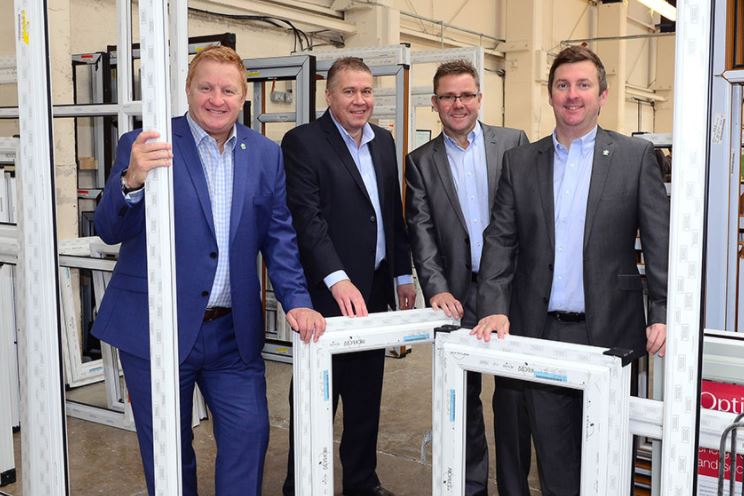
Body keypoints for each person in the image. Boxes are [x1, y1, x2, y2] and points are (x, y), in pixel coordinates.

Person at [92, 45, 325, 495]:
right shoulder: (147, 144)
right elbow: (108, 230)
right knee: (168, 454)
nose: (216, 99)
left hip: (231, 336)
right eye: (206, 87)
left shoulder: (263, 154)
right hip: (154, 331)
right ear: (188, 89)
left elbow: (279, 237)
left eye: (228, 90)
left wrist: (297, 301)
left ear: (243, 98)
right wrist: (130, 181)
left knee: (249, 439)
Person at [471, 45, 669, 495]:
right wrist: (494, 306)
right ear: (550, 94)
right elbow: (500, 240)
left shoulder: (635, 157)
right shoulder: (521, 162)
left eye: (583, 85)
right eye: (563, 85)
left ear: (602, 95)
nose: (572, 94)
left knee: (610, 457)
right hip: (543, 334)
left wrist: (661, 309)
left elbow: (660, 242)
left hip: (610, 333)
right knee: (557, 465)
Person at [281, 56, 416, 496]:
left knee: (365, 399)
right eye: (349, 91)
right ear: (329, 95)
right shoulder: (303, 142)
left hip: (374, 290)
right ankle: (300, 485)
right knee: (314, 400)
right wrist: (337, 279)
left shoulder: (383, 142)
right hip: (326, 296)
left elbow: (390, 216)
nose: (360, 101)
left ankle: (362, 482)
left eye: (366, 92)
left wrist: (401, 275)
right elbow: (308, 220)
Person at [404, 59, 530, 496]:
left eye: (466, 95)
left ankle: (514, 488)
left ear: (480, 98)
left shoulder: (513, 144)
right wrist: (435, 288)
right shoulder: (420, 161)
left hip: (511, 292)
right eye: (448, 97)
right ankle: (471, 486)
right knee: (462, 398)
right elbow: (420, 230)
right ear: (435, 104)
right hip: (457, 295)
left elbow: (531, 220)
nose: (458, 104)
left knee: (513, 398)